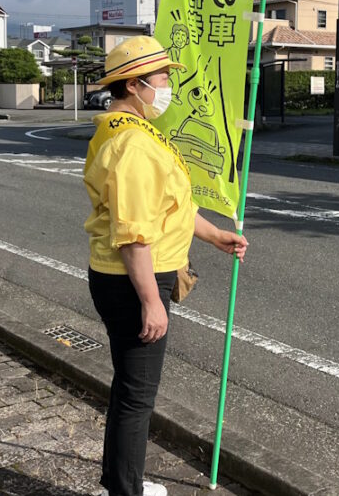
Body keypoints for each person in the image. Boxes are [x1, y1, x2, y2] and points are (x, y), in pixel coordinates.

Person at [83, 36, 248, 496]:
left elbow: (167, 205)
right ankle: (125, 491)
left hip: (125, 276)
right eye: (162, 79)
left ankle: (119, 482)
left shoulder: (125, 131)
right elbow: (135, 234)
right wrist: (151, 302)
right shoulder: (132, 144)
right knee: (137, 397)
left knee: (129, 388)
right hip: (134, 280)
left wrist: (214, 235)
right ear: (134, 86)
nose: (168, 85)